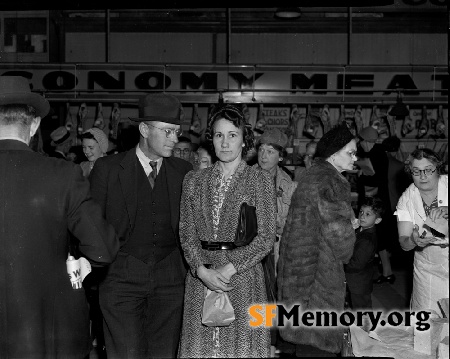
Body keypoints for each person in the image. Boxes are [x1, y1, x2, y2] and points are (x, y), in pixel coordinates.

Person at [0, 76, 119, 358]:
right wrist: (77, 268)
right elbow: (103, 248)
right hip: (51, 331)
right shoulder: (63, 174)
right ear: (35, 125)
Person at [89, 93, 192, 359]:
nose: (175, 139)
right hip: (121, 279)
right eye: (168, 131)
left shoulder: (184, 171)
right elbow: (94, 226)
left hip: (170, 280)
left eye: (177, 132)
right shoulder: (107, 169)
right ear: (144, 129)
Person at [178, 103, 276, 358]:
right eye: (219, 135)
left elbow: (265, 237)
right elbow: (186, 233)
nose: (225, 142)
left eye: (233, 135)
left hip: (242, 279)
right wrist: (201, 270)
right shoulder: (194, 180)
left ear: (244, 141)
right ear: (212, 139)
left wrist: (229, 269)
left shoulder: (259, 180)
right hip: (202, 279)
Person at [278, 123, 357, 357]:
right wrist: (351, 230)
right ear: (334, 154)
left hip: (299, 279)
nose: (355, 157)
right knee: (317, 344)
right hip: (318, 281)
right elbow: (342, 245)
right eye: (350, 152)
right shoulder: (332, 182)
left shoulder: (312, 176)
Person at [395, 148, 448, 313]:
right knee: (428, 325)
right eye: (416, 171)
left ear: (437, 169)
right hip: (428, 271)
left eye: (428, 170)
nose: (423, 176)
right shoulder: (406, 200)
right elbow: (404, 242)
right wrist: (414, 240)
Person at [345, 196, 384, 311]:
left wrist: (341, 264)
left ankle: (365, 328)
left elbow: (356, 263)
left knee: (362, 309)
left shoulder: (367, 240)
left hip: (359, 283)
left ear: (377, 220)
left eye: (368, 214)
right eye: (361, 212)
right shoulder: (361, 230)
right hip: (357, 281)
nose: (362, 216)